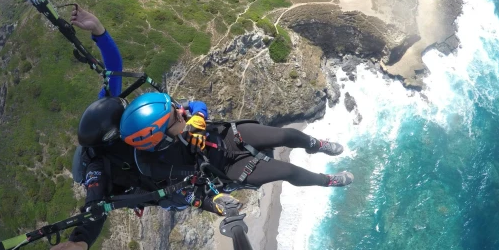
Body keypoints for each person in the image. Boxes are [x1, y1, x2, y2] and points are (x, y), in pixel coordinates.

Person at [42, 7, 239, 250]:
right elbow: (95, 206)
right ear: (112, 136)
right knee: (194, 190)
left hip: (171, 159)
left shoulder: (109, 111)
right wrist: (80, 243)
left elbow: (113, 69)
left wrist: (99, 30)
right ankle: (224, 200)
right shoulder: (97, 166)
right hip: (167, 185)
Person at [120, 92, 354, 190]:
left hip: (229, 135)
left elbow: (196, 104)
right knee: (288, 171)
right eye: (175, 116)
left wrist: (199, 117)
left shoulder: (173, 115)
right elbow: (193, 184)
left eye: (175, 108)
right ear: (161, 136)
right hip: (228, 167)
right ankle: (328, 181)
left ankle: (317, 145)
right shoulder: (160, 164)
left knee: (286, 135)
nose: (180, 112)